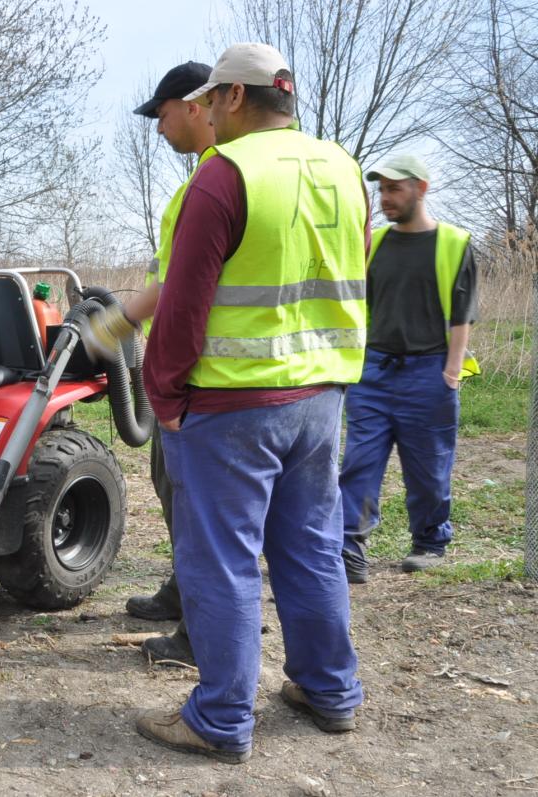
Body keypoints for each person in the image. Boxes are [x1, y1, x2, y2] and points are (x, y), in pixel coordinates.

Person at [83, 43, 367, 763]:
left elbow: (182, 308)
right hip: (320, 397)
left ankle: (219, 717)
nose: (206, 111)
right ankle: (330, 690)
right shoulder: (343, 169)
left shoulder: (224, 177)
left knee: (221, 561)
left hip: (232, 406)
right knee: (310, 547)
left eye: (211, 100)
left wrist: (165, 394)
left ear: (236, 98)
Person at [339, 155, 478, 582]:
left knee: (429, 467)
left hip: (429, 373)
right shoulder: (375, 244)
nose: (385, 198)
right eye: (381, 190)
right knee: (359, 462)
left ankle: (430, 542)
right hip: (374, 371)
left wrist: (451, 373)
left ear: (421, 187)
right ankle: (350, 548)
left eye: (394, 189)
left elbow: (462, 315)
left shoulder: (454, 243)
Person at [120, 60, 216, 668]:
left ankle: (197, 629)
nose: (157, 128)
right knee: (176, 494)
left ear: (196, 105)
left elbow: (177, 290)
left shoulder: (214, 184)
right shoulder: (206, 180)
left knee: (196, 505)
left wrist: (108, 326)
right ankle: (183, 595)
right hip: (210, 376)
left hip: (203, 380)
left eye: (161, 113)